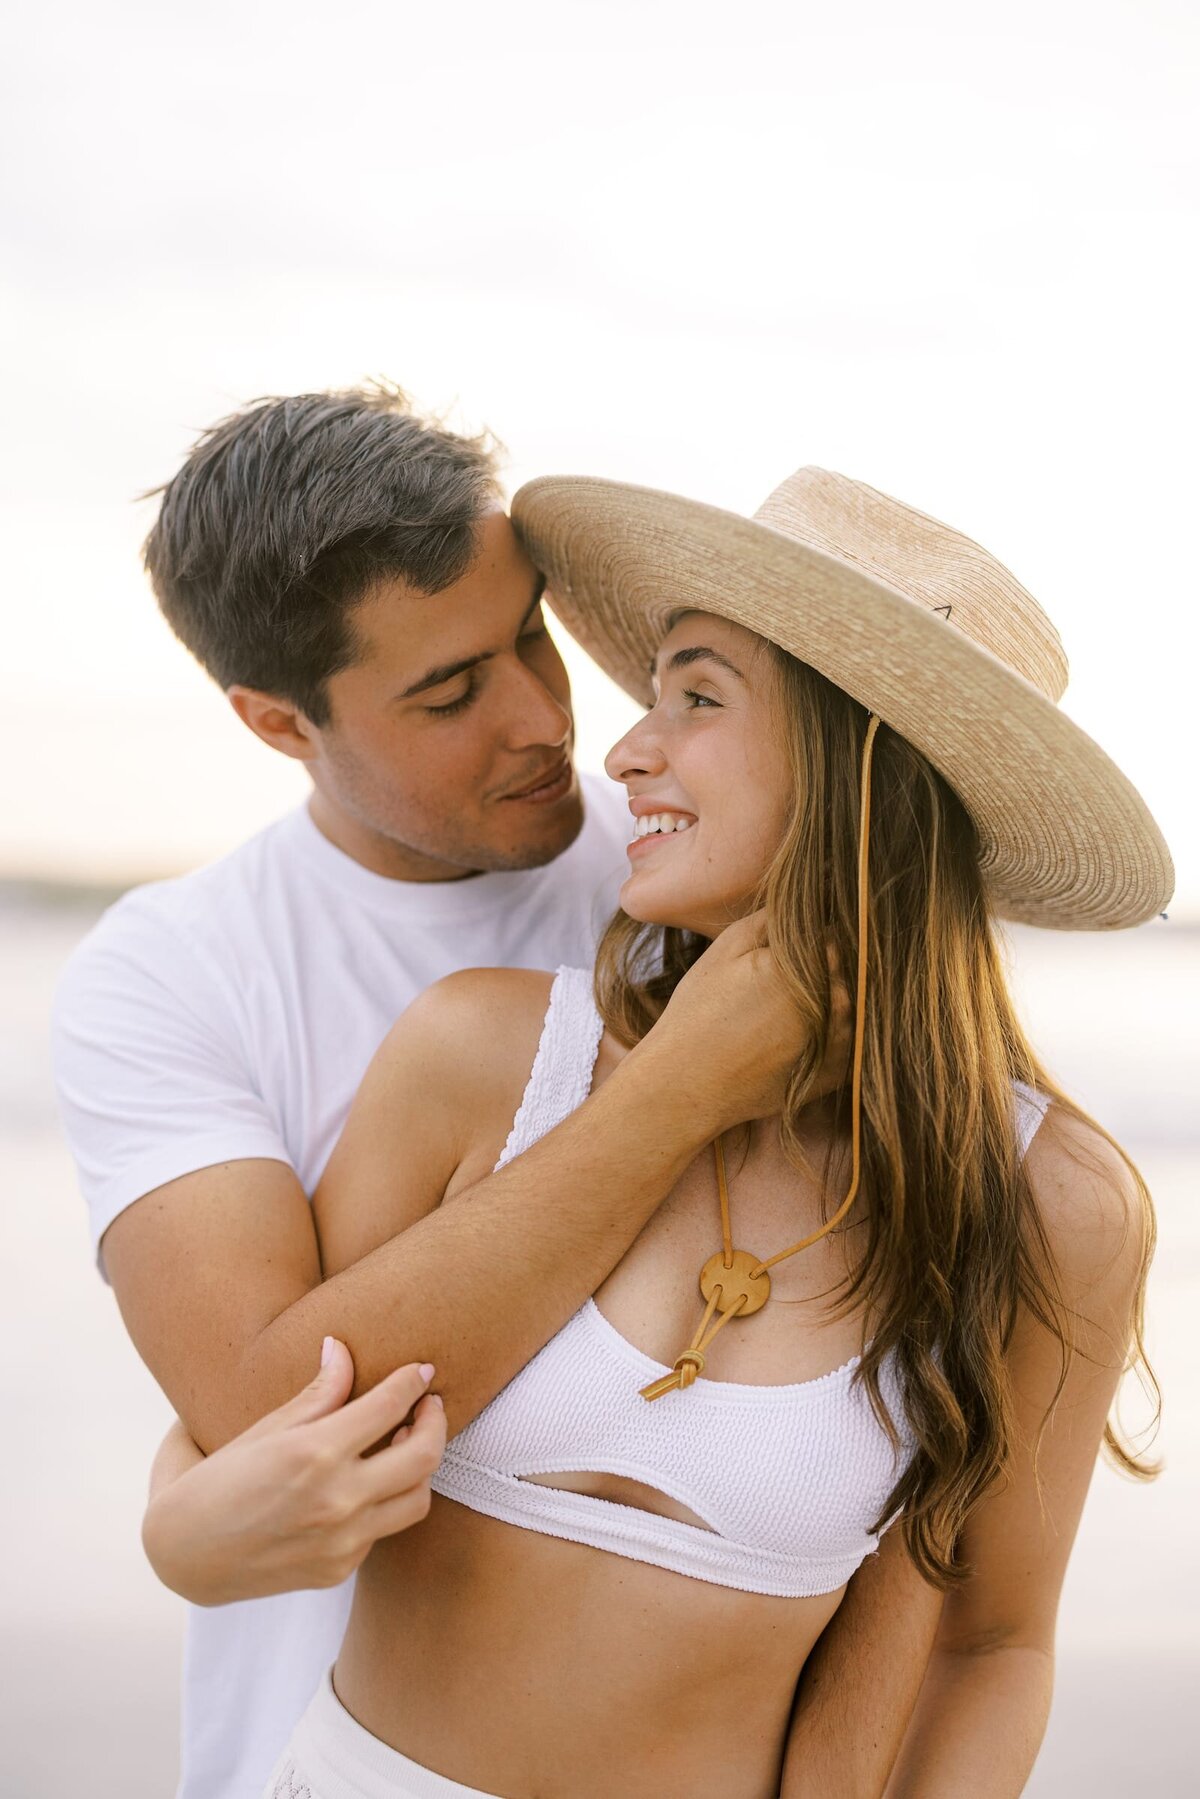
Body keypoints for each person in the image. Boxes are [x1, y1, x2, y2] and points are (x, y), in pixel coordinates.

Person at [232, 464, 1168, 1798]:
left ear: (864, 761)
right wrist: (676, 1090)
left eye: (698, 696)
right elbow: (276, 1431)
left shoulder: (1046, 1203)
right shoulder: (486, 1055)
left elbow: (991, 1644)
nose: (625, 750)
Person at [52, 391, 930, 1799]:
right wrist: (676, 1090)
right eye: (450, 693)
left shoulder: (689, 867)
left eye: (532, 633)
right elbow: (268, 1408)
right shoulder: (175, 974)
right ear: (280, 722)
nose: (541, 719)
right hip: (315, 1745)